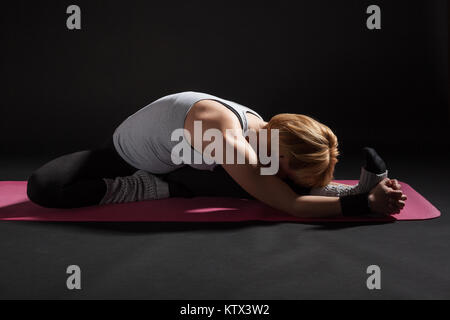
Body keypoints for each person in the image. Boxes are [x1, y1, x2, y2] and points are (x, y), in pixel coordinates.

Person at [26, 91, 407, 218]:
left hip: (184, 161)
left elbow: (288, 189)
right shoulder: (229, 138)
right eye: (293, 169)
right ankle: (155, 188)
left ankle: (360, 190)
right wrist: (367, 207)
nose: (287, 173)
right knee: (44, 188)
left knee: (269, 185)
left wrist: (365, 203)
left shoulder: (264, 127)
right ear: (284, 151)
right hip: (128, 159)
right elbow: (292, 204)